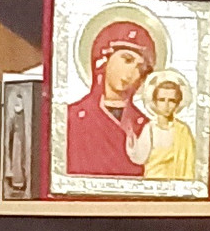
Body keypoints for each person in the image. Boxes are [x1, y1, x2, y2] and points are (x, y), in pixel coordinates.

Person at [62, 13, 156, 178]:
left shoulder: (144, 126)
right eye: (127, 60)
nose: (132, 73)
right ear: (104, 59)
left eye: (140, 68)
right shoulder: (71, 118)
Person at [138, 70, 198, 182]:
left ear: (178, 102)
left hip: (177, 185)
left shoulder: (183, 131)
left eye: (171, 101)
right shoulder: (149, 129)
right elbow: (139, 158)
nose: (166, 105)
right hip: (152, 183)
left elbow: (189, 165)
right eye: (161, 100)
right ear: (155, 101)